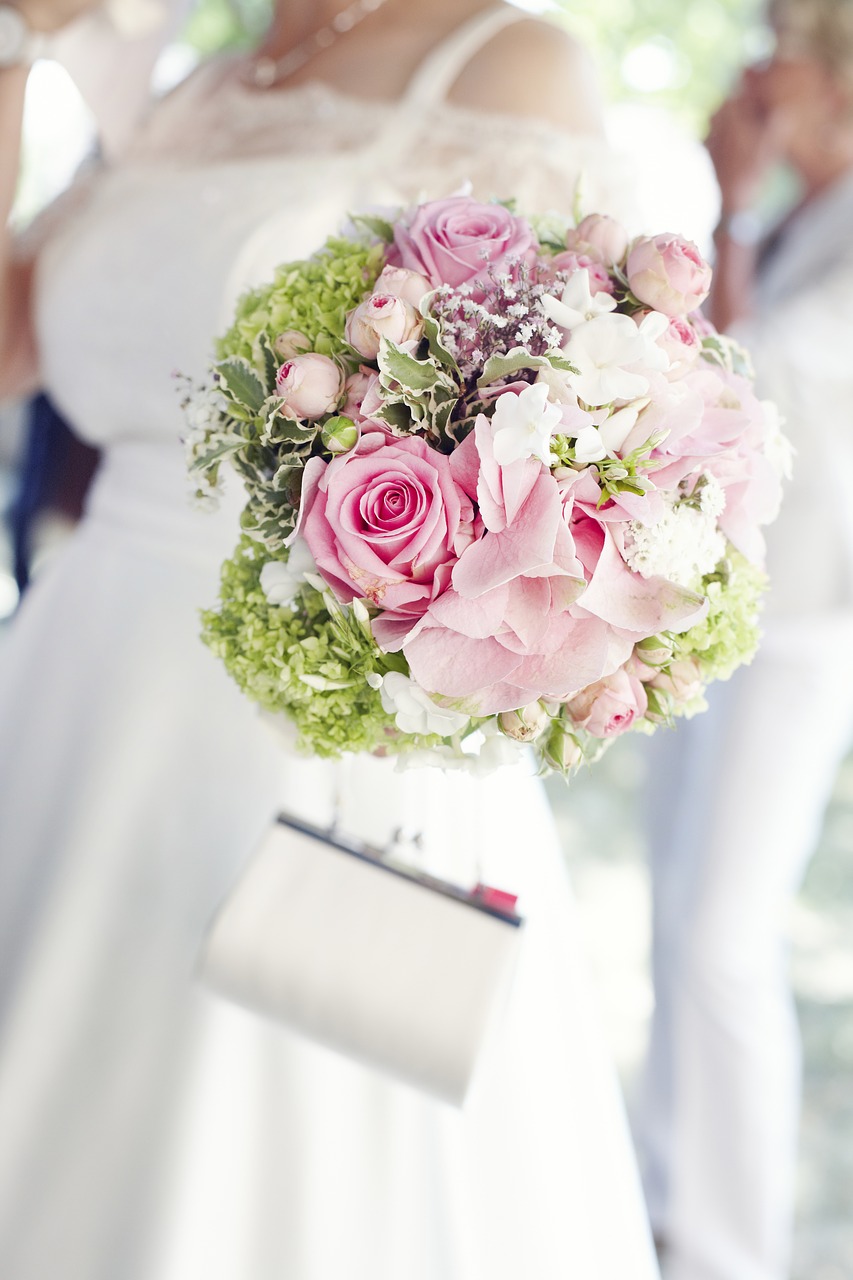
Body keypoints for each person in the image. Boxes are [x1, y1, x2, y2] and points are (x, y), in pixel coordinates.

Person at [0, 3, 661, 1278]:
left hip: (326, 732)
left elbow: (596, 445)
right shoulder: (203, 85)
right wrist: (17, 53)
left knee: (271, 1159)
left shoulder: (508, 62)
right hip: (72, 684)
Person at [635, 2, 853, 1277]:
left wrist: (727, 202)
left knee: (723, 927)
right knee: (676, 907)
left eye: (783, 38)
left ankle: (729, 1247)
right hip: (731, 605)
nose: (755, 63)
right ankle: (672, 1190)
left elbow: (740, 371)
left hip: (809, 623)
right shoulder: (809, 217)